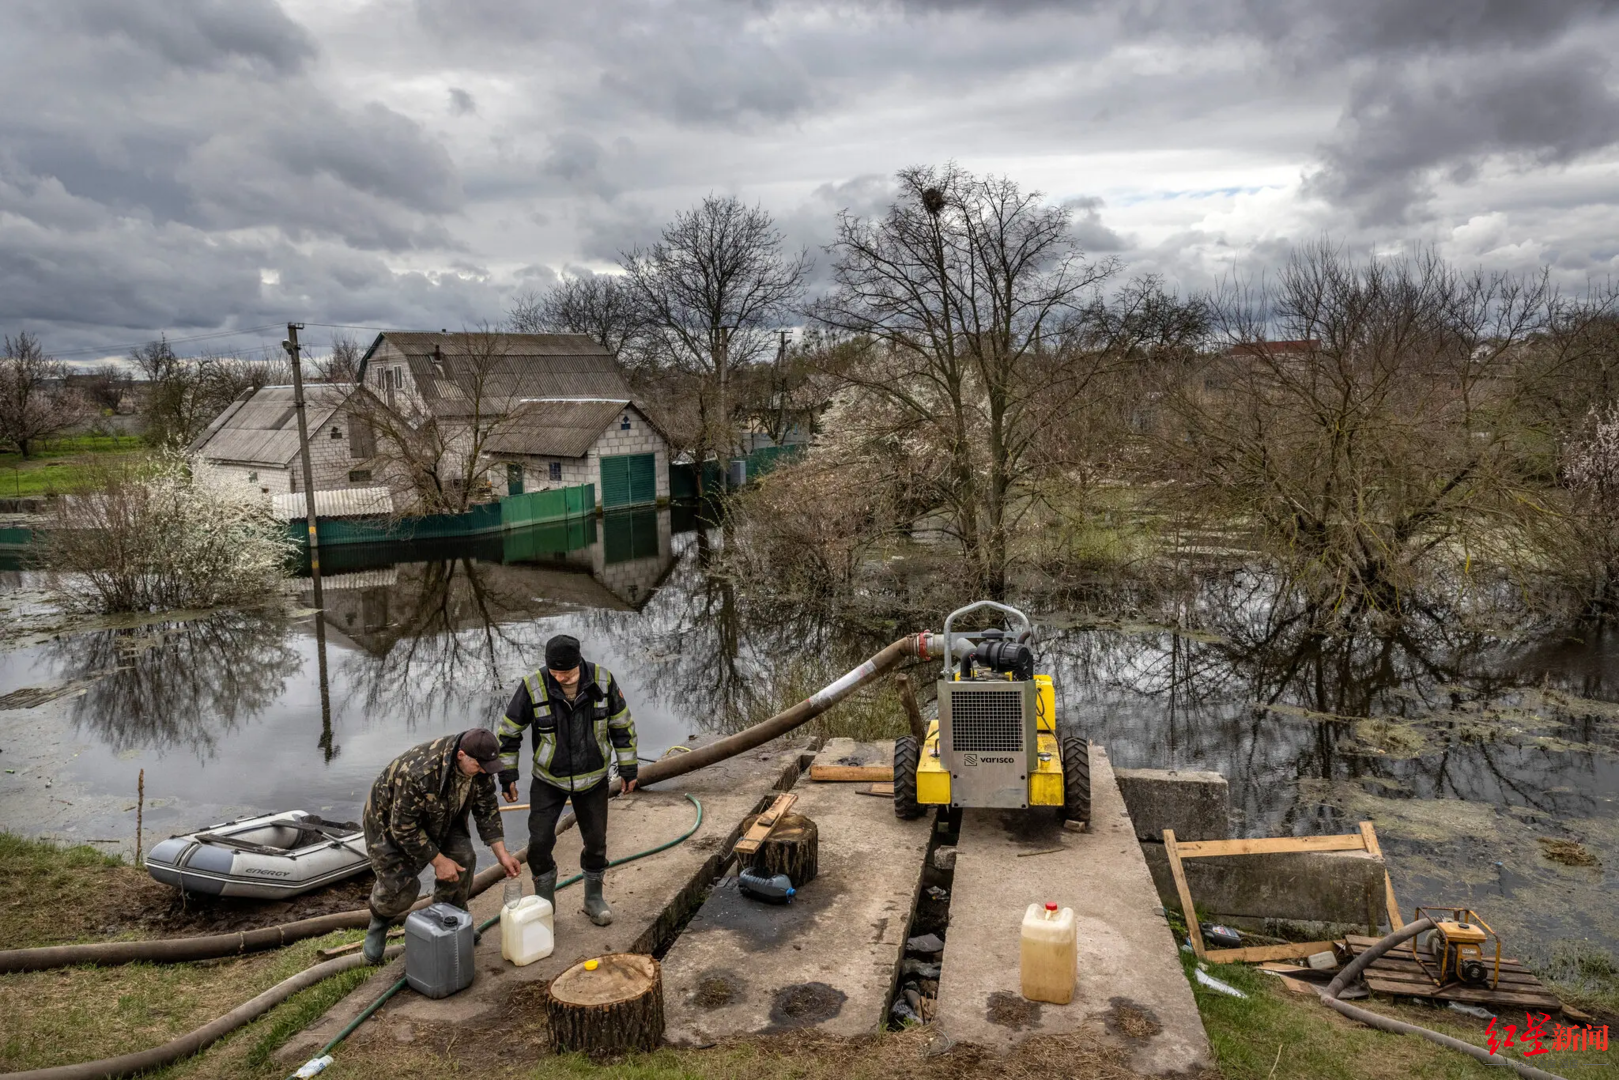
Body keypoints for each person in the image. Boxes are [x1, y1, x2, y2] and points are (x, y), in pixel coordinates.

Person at [497, 633, 637, 926]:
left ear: (579, 664)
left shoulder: (602, 680)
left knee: (596, 842)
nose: (561, 678)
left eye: (568, 673)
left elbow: (622, 726)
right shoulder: (532, 687)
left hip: (594, 779)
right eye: (556, 673)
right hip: (548, 780)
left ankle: (593, 899)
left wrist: (628, 768)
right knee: (539, 842)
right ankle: (545, 903)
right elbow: (509, 733)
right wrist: (507, 775)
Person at [360, 728, 521, 963]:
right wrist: (438, 861)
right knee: (401, 889)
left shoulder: (481, 764)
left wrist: (502, 854)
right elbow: (404, 828)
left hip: (443, 814)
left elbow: (486, 808)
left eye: (489, 766)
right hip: (389, 825)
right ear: (461, 755)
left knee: (464, 858)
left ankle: (450, 920)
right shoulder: (419, 772)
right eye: (480, 766)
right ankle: (378, 928)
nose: (485, 771)